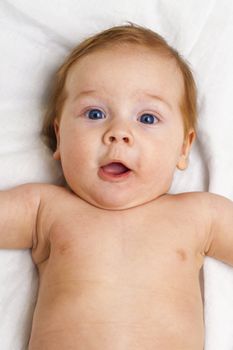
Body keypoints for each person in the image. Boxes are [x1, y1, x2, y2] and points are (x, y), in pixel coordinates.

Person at [0, 23, 232, 350]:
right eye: (95, 113)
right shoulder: (44, 209)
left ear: (183, 147)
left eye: (147, 118)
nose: (119, 132)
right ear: (60, 137)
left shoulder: (201, 215)